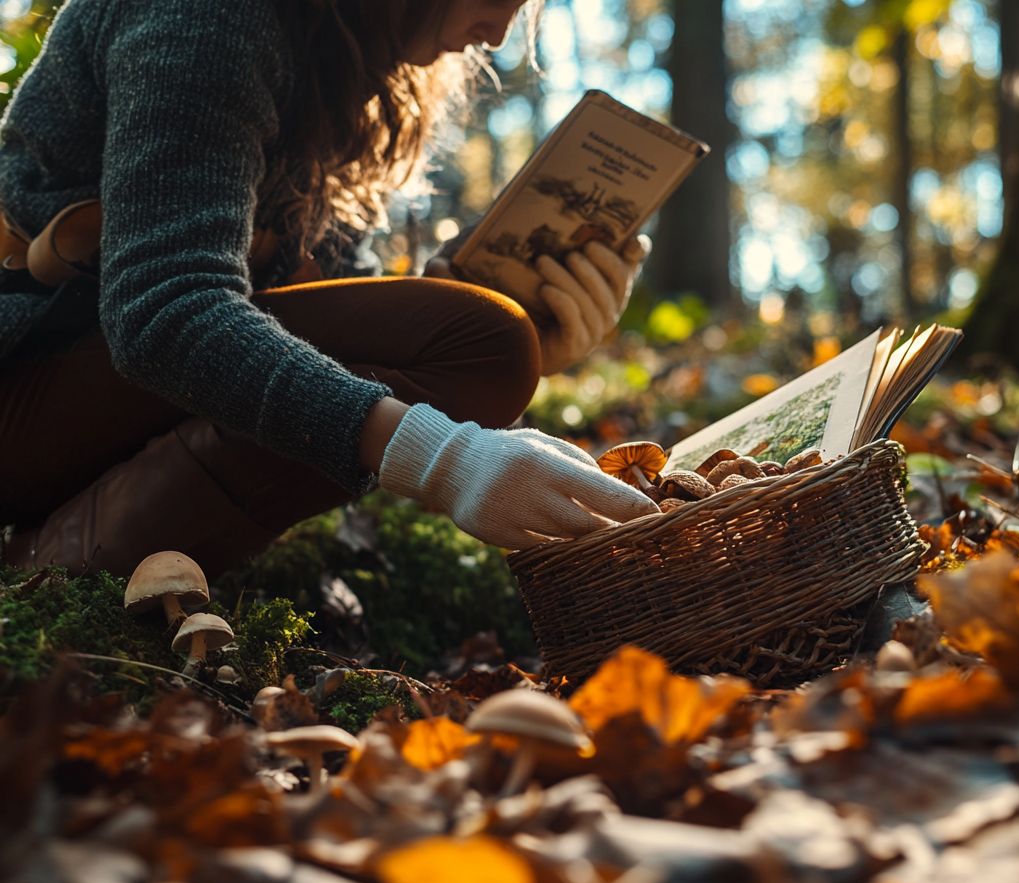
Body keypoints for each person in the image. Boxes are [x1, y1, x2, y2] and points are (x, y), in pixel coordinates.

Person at [0, 0, 661, 578]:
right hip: (24, 373)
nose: (496, 34)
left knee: (489, 336)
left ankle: (77, 554)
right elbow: (166, 310)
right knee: (487, 342)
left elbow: (317, 331)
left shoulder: (341, 62)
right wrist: (443, 456)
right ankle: (54, 572)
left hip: (83, 394)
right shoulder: (208, 15)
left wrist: (495, 319)